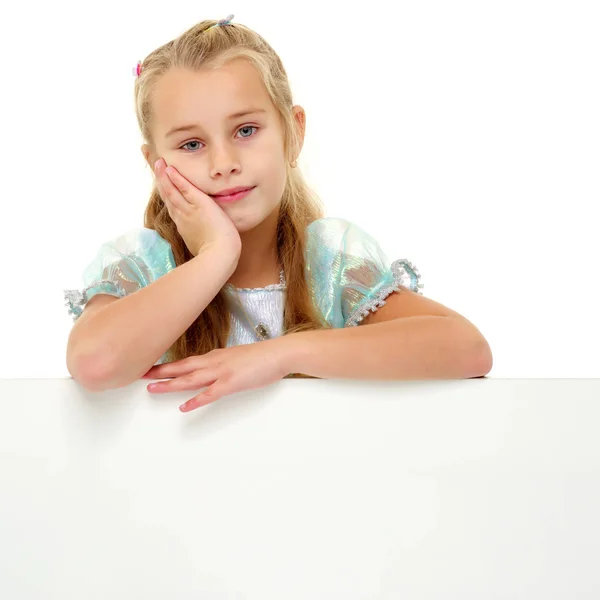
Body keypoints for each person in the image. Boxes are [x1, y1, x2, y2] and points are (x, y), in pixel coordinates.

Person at [64, 15, 493, 412]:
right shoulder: (144, 267)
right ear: (155, 162)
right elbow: (95, 364)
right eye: (191, 144)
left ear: (293, 133)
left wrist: (279, 355)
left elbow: (467, 348)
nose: (223, 162)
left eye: (246, 130)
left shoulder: (328, 263)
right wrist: (216, 254)